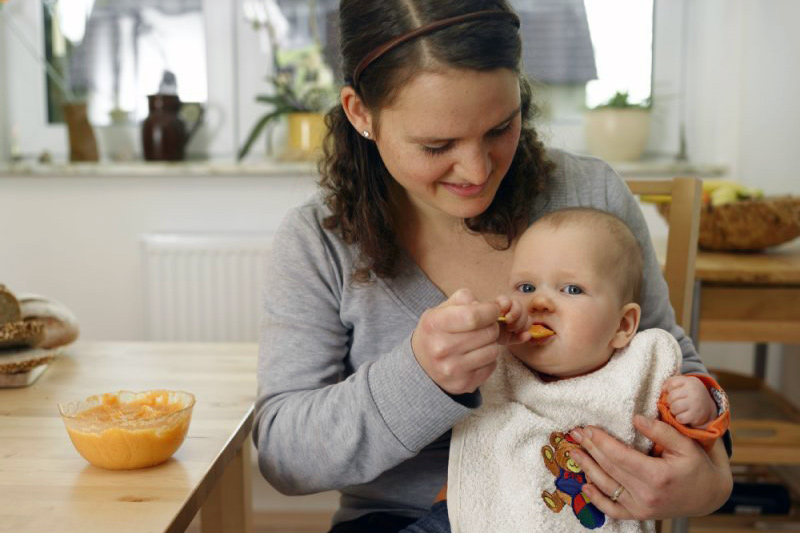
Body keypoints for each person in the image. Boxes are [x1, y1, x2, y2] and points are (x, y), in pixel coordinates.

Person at [252, 1, 733, 531]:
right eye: (437, 145)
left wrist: (710, 484)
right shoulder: (319, 242)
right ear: (361, 113)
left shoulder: (591, 196)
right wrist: (421, 377)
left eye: (501, 128)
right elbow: (284, 456)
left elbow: (667, 366)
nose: (478, 171)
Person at [402, 208, 730, 533]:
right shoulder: (494, 358)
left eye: (571, 289)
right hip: (465, 516)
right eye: (526, 287)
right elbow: (432, 398)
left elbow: (684, 439)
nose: (540, 303)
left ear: (623, 324)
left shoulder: (637, 373)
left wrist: (699, 405)